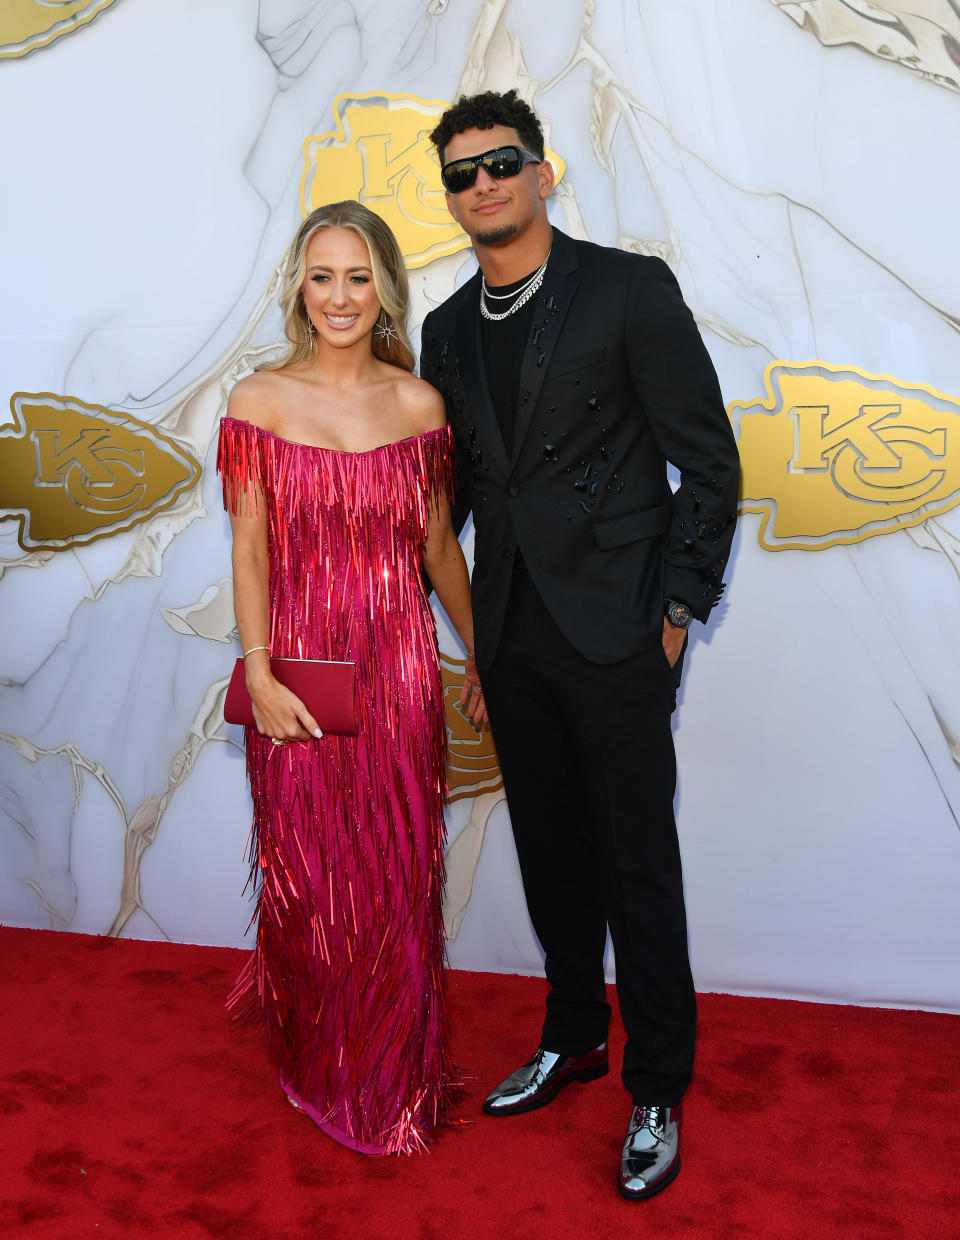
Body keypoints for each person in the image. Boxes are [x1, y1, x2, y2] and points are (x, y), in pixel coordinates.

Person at [419, 91, 739, 1198]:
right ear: (451, 198)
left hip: (619, 625)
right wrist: (462, 641)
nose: (483, 185)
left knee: (637, 862)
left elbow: (710, 457)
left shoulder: (627, 289)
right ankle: (574, 1034)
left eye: (501, 163)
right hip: (510, 633)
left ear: (543, 171)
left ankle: (655, 1084)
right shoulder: (446, 329)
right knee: (552, 853)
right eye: (462, 174)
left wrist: (679, 606)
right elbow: (447, 500)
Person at [217, 201, 486, 1156]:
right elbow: (249, 549)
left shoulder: (419, 408)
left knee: (396, 882)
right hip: (298, 676)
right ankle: (320, 1059)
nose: (340, 295)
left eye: (359, 276)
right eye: (323, 275)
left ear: (385, 290)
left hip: (399, 673)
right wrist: (257, 668)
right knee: (311, 882)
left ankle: (392, 1080)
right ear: (300, 284)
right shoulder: (257, 401)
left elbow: (437, 551)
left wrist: (479, 654)